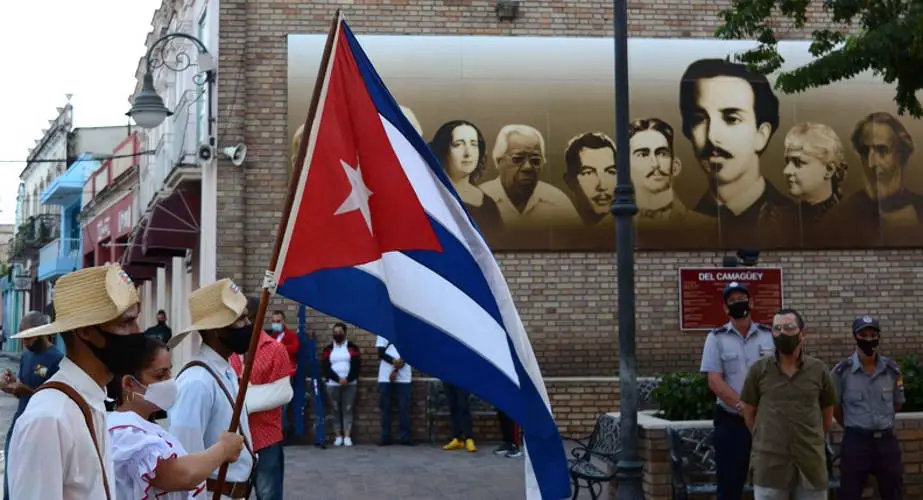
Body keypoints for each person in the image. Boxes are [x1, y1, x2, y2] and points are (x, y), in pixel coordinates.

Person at [7, 263, 146, 500]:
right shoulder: (50, 418)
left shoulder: (92, 400)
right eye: (124, 323)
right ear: (85, 331)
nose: (138, 331)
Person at [106, 336, 244, 499]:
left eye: (169, 372)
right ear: (129, 384)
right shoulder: (123, 431)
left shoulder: (146, 426)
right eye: (160, 375)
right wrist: (223, 449)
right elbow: (181, 475)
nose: (169, 381)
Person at [168, 278, 256, 499]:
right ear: (215, 330)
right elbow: (185, 461)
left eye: (247, 317)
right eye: (240, 320)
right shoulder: (197, 382)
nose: (248, 326)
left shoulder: (224, 372)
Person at [741, 308, 836, 500]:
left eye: (789, 327)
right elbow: (749, 413)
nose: (782, 333)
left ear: (802, 334)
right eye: (777, 328)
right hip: (770, 465)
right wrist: (771, 436)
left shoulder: (818, 370)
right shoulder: (759, 370)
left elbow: (826, 416)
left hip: (810, 465)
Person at [698, 281, 775, 500]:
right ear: (725, 308)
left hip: (767, 420)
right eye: (731, 301)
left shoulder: (769, 336)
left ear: (751, 302)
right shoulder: (716, 338)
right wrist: (743, 406)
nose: (737, 303)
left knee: (772, 483)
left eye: (741, 299)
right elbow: (714, 380)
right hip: (732, 421)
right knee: (729, 485)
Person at [831, 315, 905, 500]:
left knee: (893, 492)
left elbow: (897, 403)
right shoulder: (842, 372)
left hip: (887, 442)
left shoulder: (892, 370)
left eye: (873, 334)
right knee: (849, 493)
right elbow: (835, 408)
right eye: (864, 335)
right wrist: (855, 426)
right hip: (856, 443)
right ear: (855, 337)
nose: (869, 339)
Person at [230, 300, 293, 500]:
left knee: (268, 495)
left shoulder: (275, 349)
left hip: (265, 437)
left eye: (245, 318)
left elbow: (281, 393)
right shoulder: (229, 351)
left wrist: (246, 397)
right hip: (235, 439)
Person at [2, 311, 64, 498]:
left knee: (30, 477)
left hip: (42, 429)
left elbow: (57, 398)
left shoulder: (57, 359)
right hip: (20, 421)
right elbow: (23, 386)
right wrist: (12, 384)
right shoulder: (27, 356)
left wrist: (25, 391)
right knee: (12, 470)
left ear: (42, 332)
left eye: (28, 337)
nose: (25, 342)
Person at [321, 322, 361, 446]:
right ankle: (338, 435)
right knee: (335, 409)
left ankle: (347, 436)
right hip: (333, 384)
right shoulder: (328, 349)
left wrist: (347, 379)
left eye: (340, 332)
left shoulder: (352, 348)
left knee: (348, 409)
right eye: (335, 332)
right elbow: (325, 366)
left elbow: (357, 365)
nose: (337, 334)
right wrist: (337, 378)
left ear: (344, 332)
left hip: (350, 384)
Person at [376, 334, 412, 446]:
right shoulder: (382, 332)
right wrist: (393, 362)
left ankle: (405, 437)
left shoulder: (407, 331)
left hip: (404, 375)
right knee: (385, 406)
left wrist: (396, 368)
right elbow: (381, 353)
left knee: (404, 407)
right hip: (385, 376)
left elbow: (411, 351)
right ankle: (385, 437)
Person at [442, 381, 477, 452]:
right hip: (448, 377)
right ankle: (457, 438)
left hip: (461, 378)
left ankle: (468, 438)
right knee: (453, 408)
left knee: (463, 406)